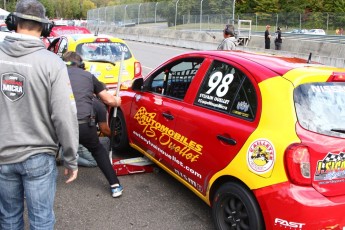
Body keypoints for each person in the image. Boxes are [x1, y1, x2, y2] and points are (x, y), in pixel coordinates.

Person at [0, 0, 79, 229]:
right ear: (45, 28)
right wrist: (71, 158)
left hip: (3, 156)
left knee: (8, 218)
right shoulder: (53, 64)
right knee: (41, 219)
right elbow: (64, 116)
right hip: (38, 156)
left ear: (12, 22)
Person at [62, 51, 124, 198]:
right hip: (83, 124)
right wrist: (117, 101)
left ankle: (33, 188)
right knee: (97, 150)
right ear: (82, 65)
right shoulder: (89, 76)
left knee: (45, 153)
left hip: (58, 124)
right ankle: (115, 185)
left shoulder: (55, 74)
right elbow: (109, 100)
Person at [59, 96, 113, 167]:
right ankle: (65, 157)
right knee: (94, 162)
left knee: (106, 140)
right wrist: (114, 134)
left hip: (70, 136)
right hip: (79, 140)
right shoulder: (99, 106)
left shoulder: (80, 99)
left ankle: (66, 149)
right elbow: (104, 130)